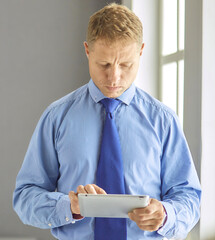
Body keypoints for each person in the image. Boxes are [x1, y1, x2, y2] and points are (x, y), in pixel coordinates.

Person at [12, 3, 201, 240]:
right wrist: (69, 206)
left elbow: (189, 196)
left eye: (125, 65)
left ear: (141, 51)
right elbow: (25, 196)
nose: (114, 77)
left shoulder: (163, 120)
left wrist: (166, 214)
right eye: (104, 65)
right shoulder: (56, 117)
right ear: (87, 51)